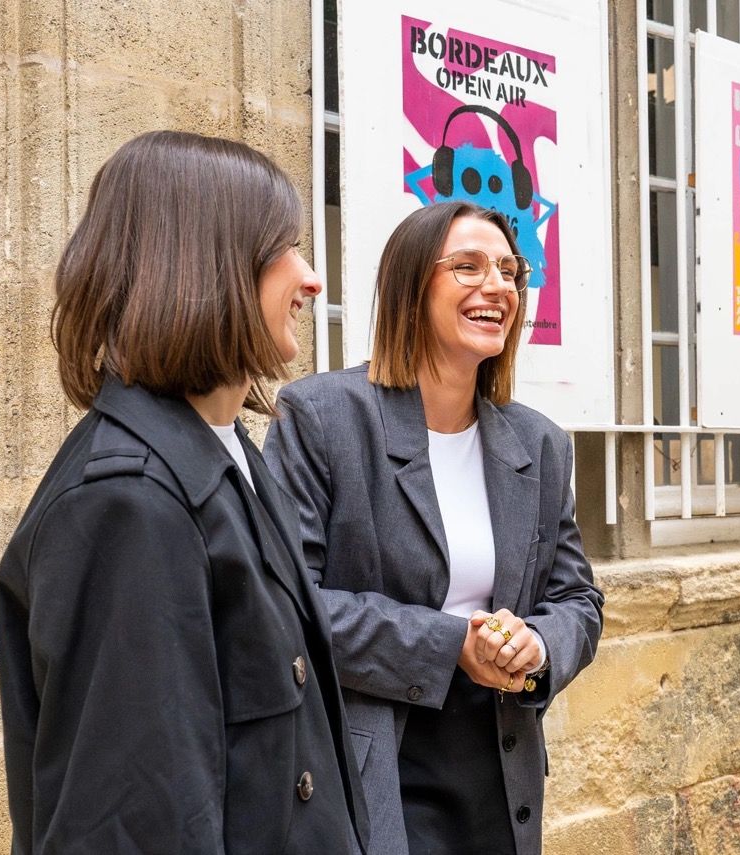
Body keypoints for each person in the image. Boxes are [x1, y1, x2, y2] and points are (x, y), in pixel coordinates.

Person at [0, 130, 371, 854]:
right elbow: (135, 827)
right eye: (283, 248)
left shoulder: (222, 452)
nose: (311, 276)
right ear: (208, 265)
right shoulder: (128, 504)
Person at [262, 200, 604, 855]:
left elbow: (579, 600)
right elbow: (287, 605)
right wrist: (452, 646)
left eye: (510, 271)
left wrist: (535, 646)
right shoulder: (323, 418)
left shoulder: (540, 441)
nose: (497, 286)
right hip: (373, 776)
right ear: (411, 287)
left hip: (499, 778)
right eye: (468, 267)